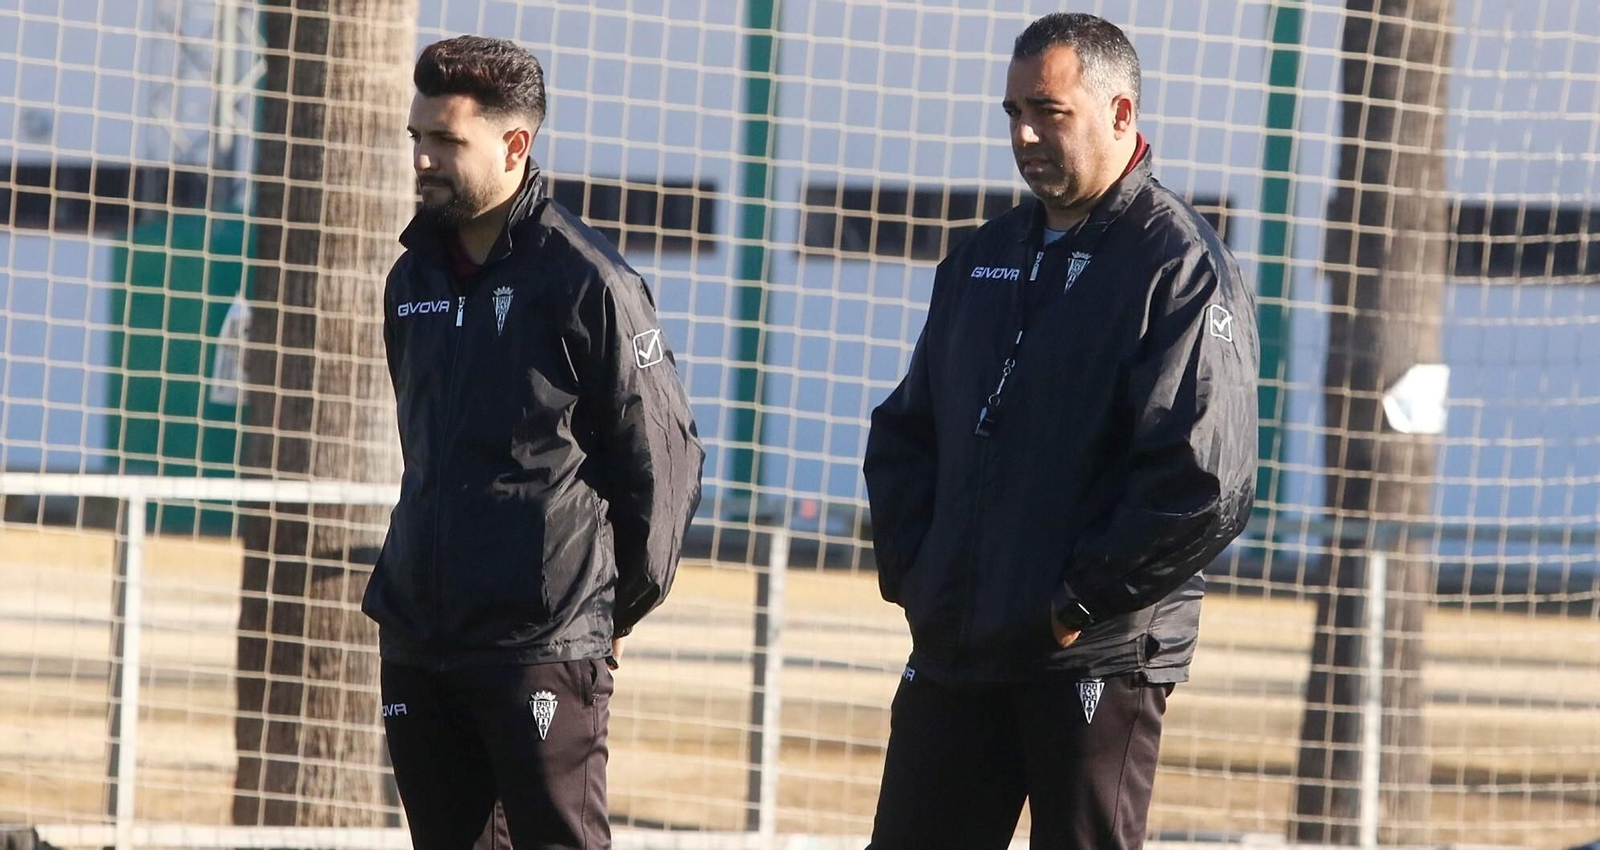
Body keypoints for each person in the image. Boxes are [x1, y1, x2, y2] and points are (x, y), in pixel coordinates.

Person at [862, 12, 1258, 849]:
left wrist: (1075, 603)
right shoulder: (981, 258)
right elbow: (906, 434)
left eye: (1049, 111)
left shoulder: (1175, 266)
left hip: (1091, 656)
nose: (1026, 133)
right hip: (957, 646)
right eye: (1013, 112)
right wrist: (920, 579)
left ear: (1121, 115)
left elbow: (1202, 483)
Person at [361, 35, 704, 850]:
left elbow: (664, 458)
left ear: (515, 146)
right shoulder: (411, 278)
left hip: (541, 647)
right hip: (419, 636)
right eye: (418, 138)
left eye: (446, 141)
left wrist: (606, 611)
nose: (423, 159)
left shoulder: (588, 280)